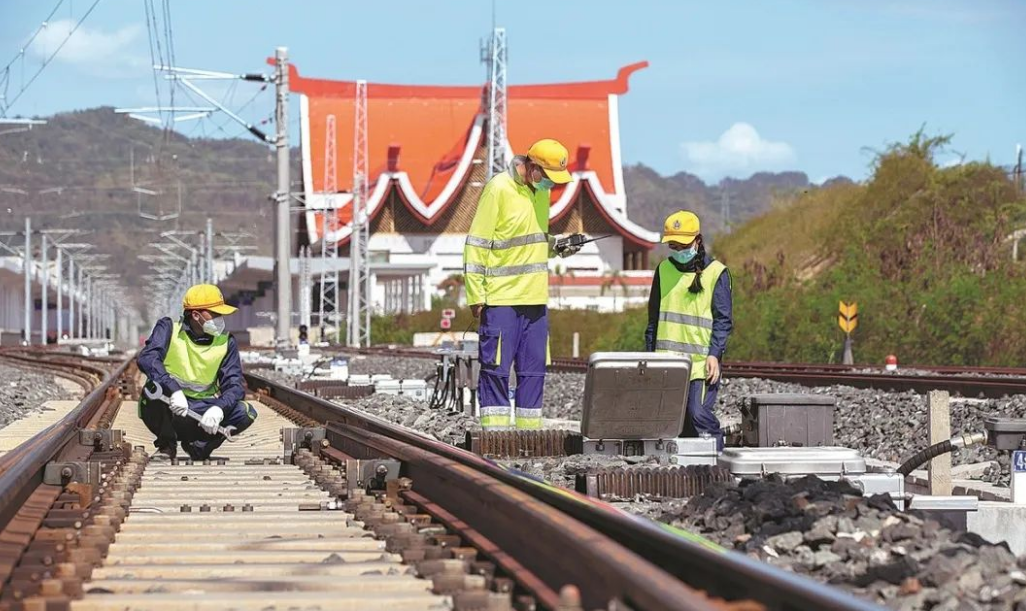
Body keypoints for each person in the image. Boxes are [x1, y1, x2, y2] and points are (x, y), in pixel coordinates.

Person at [463, 138, 581, 430]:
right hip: (502, 299)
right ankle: (495, 435)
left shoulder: (540, 194)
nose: (551, 185)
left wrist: (559, 246)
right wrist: (476, 295)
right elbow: (477, 243)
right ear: (533, 167)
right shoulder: (499, 188)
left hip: (535, 300)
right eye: (549, 177)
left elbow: (531, 240)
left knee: (533, 371)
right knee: (496, 369)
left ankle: (530, 436)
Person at [136, 284, 257, 460]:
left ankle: (199, 448)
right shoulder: (169, 329)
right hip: (169, 405)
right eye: (214, 314)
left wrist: (219, 408)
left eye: (220, 314)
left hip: (202, 409)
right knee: (151, 395)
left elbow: (234, 385)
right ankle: (166, 447)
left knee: (246, 412)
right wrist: (174, 390)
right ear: (195, 315)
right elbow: (147, 358)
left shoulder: (226, 341)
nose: (219, 318)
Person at [644, 211, 733, 450]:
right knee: (675, 423)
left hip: (700, 363)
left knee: (697, 415)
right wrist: (648, 358)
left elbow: (723, 320)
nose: (678, 249)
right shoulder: (663, 270)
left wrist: (715, 353)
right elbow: (653, 321)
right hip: (667, 364)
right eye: (673, 245)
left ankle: (717, 459)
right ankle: (685, 472)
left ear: (697, 240)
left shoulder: (716, 273)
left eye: (683, 244)